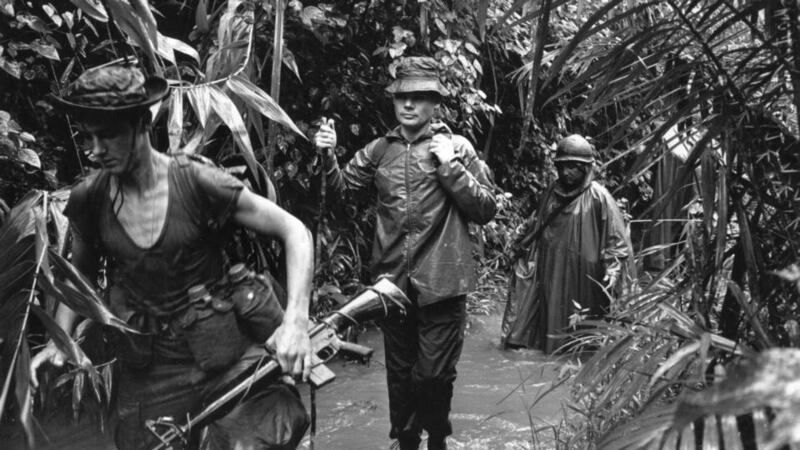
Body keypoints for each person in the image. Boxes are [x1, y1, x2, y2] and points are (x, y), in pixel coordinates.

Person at [30, 65, 313, 449]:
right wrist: (57, 343)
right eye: (89, 137)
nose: (95, 151)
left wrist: (296, 321)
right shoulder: (90, 199)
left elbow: (295, 231)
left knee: (260, 433)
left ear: (142, 123)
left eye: (108, 136)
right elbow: (78, 278)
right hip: (152, 366)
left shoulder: (196, 182)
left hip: (224, 352)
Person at [313, 56, 497, 450]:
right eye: (401, 97)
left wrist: (450, 166)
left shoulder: (457, 147)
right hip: (390, 288)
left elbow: (485, 208)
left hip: (444, 283)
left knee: (432, 376)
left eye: (418, 97)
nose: (408, 105)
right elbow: (341, 191)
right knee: (399, 377)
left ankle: (438, 439)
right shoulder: (381, 150)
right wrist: (327, 156)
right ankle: (408, 440)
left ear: (435, 103)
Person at [502, 134, 633, 353]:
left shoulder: (600, 197)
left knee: (581, 327)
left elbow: (617, 243)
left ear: (586, 168)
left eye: (573, 167)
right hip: (551, 269)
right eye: (562, 166)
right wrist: (517, 246)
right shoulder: (551, 192)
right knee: (551, 314)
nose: (566, 172)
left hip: (585, 277)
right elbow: (536, 223)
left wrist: (613, 275)